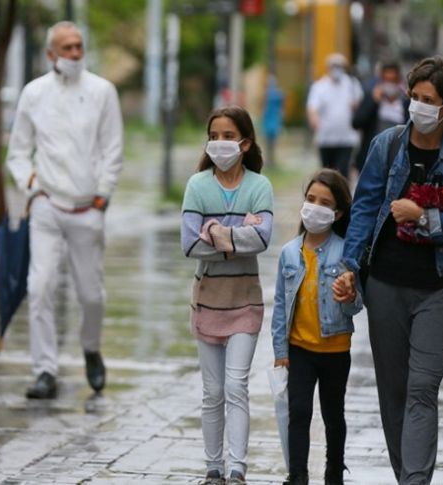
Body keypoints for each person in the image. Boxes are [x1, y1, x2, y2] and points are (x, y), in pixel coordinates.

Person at [333, 56, 443, 484]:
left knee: (421, 391)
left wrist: (422, 216)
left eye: (428, 99)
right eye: (414, 97)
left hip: (439, 291)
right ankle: (407, 476)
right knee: (394, 394)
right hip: (385, 287)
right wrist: (348, 267)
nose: (418, 106)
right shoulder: (387, 145)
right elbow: (363, 211)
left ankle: (415, 481)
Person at [6, 21, 123, 399]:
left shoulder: (102, 91)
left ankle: (90, 347)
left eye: (79, 46)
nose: (75, 53)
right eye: (67, 48)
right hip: (47, 206)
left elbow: (112, 148)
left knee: (91, 295)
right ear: (51, 54)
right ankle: (45, 370)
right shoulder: (34, 93)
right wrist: (32, 189)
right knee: (38, 287)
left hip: (88, 208)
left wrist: (103, 195)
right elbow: (18, 152)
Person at [180, 106, 274, 485]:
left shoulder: (259, 186)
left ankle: (237, 469)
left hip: (245, 300)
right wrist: (237, 235)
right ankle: (213, 469)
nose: (220, 143)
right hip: (207, 299)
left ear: (245, 142)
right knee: (212, 390)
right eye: (214, 136)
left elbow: (263, 239)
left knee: (237, 385)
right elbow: (188, 245)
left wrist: (215, 230)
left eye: (228, 136)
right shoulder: (197, 185)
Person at [271, 168, 362, 485]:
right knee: (298, 412)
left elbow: (356, 305)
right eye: (310, 199)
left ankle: (334, 471)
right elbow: (281, 305)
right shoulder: (288, 253)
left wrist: (350, 294)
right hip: (299, 350)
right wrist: (280, 350)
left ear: (337, 213)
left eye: (325, 202)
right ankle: (297, 473)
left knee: (333, 415)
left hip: (335, 349)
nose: (315, 207)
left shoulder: (347, 252)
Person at [307, 53, 364, 176]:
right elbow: (312, 107)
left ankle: (342, 194)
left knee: (342, 171)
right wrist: (314, 120)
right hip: (326, 138)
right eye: (334, 65)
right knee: (327, 172)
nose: (337, 69)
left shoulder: (352, 84)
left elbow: (360, 105)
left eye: (339, 65)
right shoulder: (320, 86)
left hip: (346, 138)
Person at [353, 61, 408, 177]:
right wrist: (373, 101)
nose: (389, 84)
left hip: (397, 158)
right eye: (386, 80)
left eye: (393, 80)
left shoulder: (406, 101)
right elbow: (356, 122)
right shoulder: (372, 97)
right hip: (373, 156)